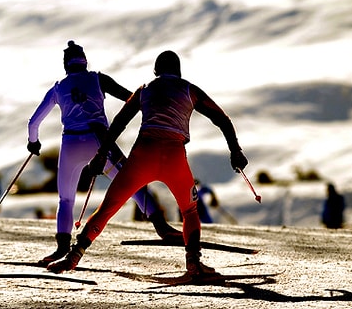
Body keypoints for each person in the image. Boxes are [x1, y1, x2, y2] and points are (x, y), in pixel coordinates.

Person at [48, 50, 249, 278]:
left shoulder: (145, 90)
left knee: (107, 208)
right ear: (178, 71)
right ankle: (193, 262)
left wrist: (102, 154)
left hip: (142, 156)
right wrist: (235, 151)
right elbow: (221, 118)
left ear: (155, 71)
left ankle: (74, 255)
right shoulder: (189, 89)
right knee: (190, 210)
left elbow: (119, 123)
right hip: (174, 156)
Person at [28, 41, 179, 266]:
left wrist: (34, 143)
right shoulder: (98, 79)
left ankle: (61, 246)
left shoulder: (58, 87)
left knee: (66, 198)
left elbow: (34, 122)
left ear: (65, 64)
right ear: (84, 61)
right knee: (132, 183)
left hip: (70, 143)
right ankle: (162, 227)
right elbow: (132, 98)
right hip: (99, 140)